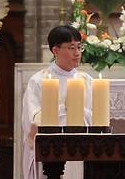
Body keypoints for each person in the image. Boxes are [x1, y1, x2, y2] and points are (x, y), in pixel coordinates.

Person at [22, 26, 93, 179]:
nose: (77, 53)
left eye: (79, 47)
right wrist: (66, 110)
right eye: (71, 47)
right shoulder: (39, 81)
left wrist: (78, 112)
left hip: (82, 151)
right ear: (55, 51)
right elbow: (32, 122)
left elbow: (97, 119)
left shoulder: (86, 81)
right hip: (51, 153)